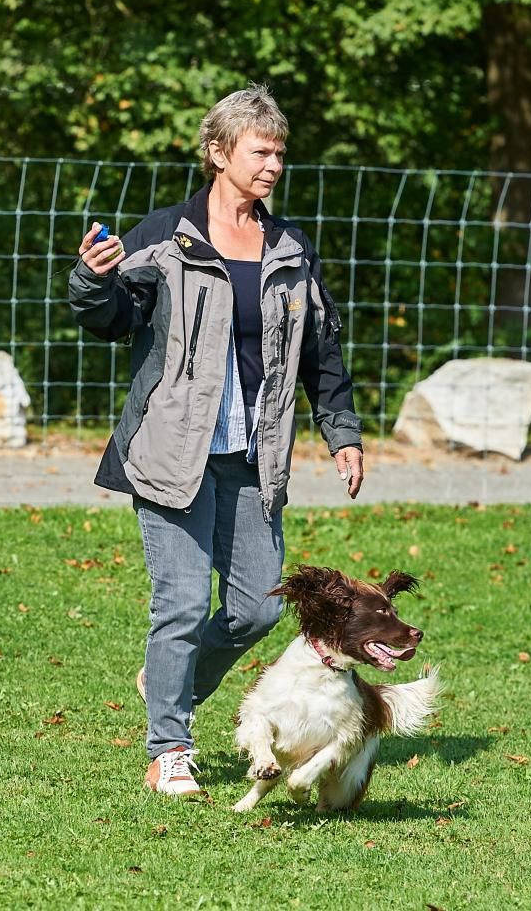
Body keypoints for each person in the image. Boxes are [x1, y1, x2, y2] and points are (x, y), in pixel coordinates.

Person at [67, 84, 365, 797]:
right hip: (172, 451)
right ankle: (169, 749)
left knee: (259, 607)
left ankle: (168, 678)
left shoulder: (291, 247)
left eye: (280, 153)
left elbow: (321, 348)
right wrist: (90, 279)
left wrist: (342, 430)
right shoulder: (166, 238)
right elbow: (111, 318)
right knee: (178, 605)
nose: (273, 165)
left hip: (253, 457)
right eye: (260, 151)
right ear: (218, 153)